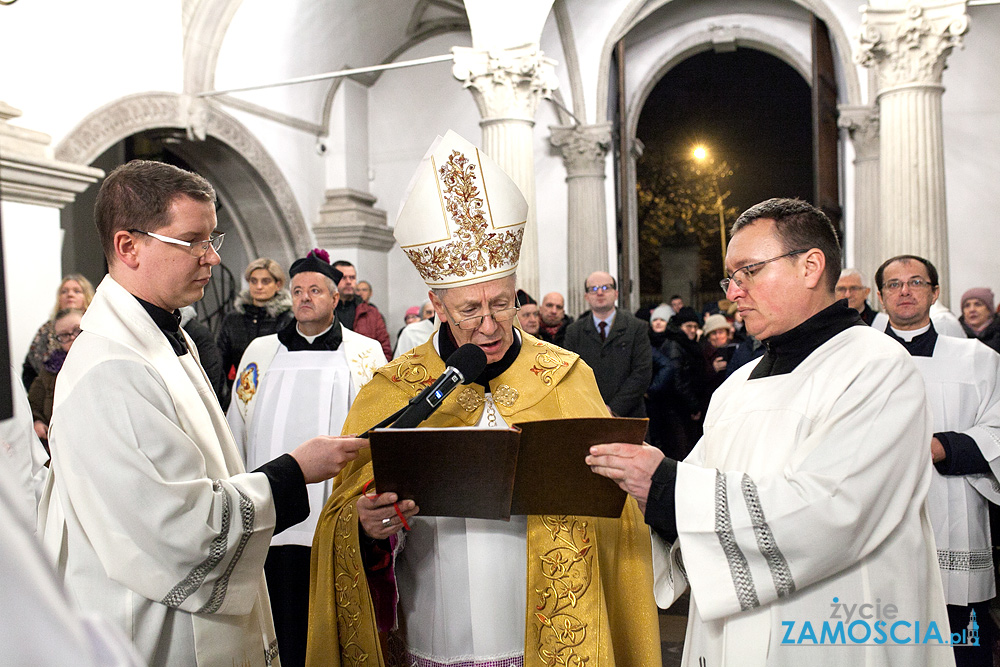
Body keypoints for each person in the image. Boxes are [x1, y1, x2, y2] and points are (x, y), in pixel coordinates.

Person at [307, 131, 660, 667]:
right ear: (436, 304)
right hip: (432, 622)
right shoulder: (397, 388)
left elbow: (616, 517)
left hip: (548, 627)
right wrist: (367, 525)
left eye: (503, 303)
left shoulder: (566, 376)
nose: (491, 326)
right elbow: (342, 517)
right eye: (470, 310)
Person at [587, 198, 951, 666]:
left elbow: (834, 508)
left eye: (749, 272)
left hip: (831, 633)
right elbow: (684, 493)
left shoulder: (876, 366)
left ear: (810, 266)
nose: (733, 292)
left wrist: (666, 486)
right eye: (729, 278)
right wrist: (643, 488)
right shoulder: (737, 385)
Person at [38, 159, 368, 667]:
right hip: (156, 633)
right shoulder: (109, 368)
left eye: (213, 238)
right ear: (129, 246)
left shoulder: (168, 338)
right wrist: (293, 472)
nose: (212, 258)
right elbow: (178, 530)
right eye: (193, 240)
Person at [227, 250, 386, 667]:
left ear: (336, 298)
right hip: (270, 519)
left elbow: (382, 432)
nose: (304, 298)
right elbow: (236, 425)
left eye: (315, 290)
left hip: (336, 514)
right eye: (297, 291)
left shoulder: (366, 354)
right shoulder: (259, 353)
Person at [876, 254, 1000, 667]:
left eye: (915, 282)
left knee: (962, 642)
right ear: (880, 297)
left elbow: (997, 428)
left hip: (954, 510)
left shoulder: (978, 359)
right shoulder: (857, 362)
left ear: (935, 292)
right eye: (894, 284)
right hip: (879, 515)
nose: (905, 291)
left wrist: (943, 446)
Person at [564, 272, 652, 418]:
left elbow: (642, 372)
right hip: (588, 415)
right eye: (593, 289)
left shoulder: (636, 328)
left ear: (616, 293)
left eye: (606, 287)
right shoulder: (574, 332)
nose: (599, 292)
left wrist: (614, 409)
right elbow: (570, 374)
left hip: (629, 416)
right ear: (586, 296)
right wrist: (594, 407)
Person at [216, 257, 294, 405]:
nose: (259, 286)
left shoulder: (288, 319)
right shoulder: (233, 319)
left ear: (278, 285)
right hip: (239, 394)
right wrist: (223, 399)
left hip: (276, 396)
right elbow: (220, 361)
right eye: (253, 281)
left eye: (265, 281)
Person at [22, 274, 94, 390]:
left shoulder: (96, 326)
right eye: (64, 291)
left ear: (87, 295)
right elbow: (29, 369)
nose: (70, 295)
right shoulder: (45, 330)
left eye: (77, 291)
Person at [28, 307, 83, 449]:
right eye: (64, 335)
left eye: (77, 330)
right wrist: (37, 422)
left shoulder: (105, 361)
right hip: (59, 446)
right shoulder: (49, 370)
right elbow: (33, 405)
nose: (72, 338)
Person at [332, 259, 392, 358]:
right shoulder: (325, 311)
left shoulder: (371, 312)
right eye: (343, 278)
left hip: (364, 368)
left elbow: (384, 349)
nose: (348, 282)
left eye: (352, 278)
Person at [959, 288, 1000, 353]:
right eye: (967, 305)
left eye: (978, 304)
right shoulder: (956, 334)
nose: (972, 310)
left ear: (989, 310)